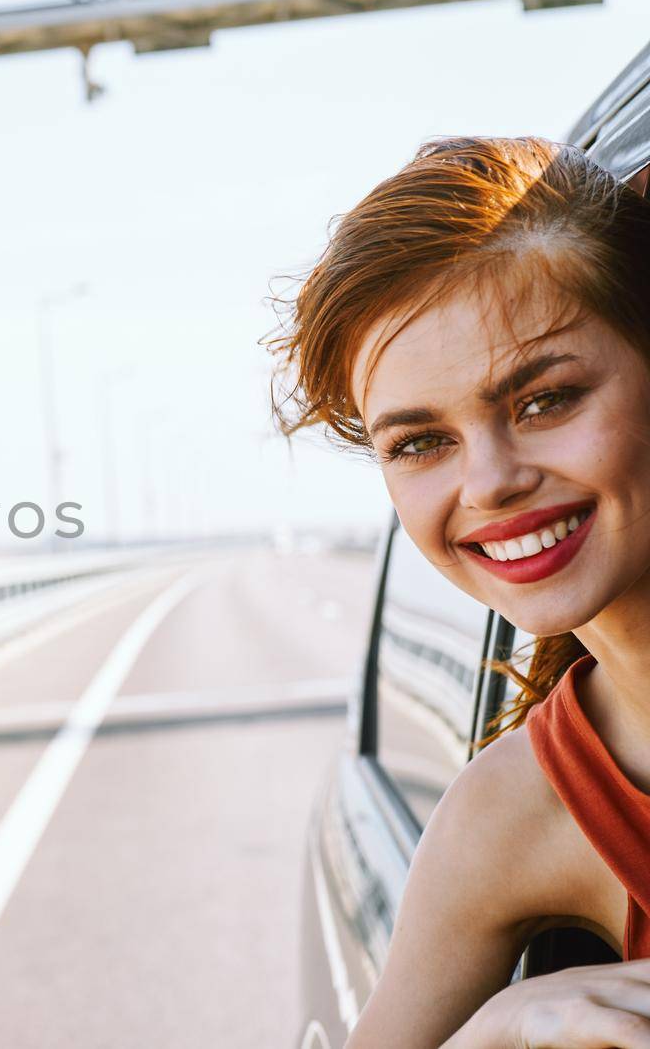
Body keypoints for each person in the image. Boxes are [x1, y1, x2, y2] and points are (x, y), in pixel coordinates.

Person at [265, 135, 650, 1047]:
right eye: (419, 442)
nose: (489, 483)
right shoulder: (518, 811)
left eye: (545, 399)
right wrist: (500, 1030)